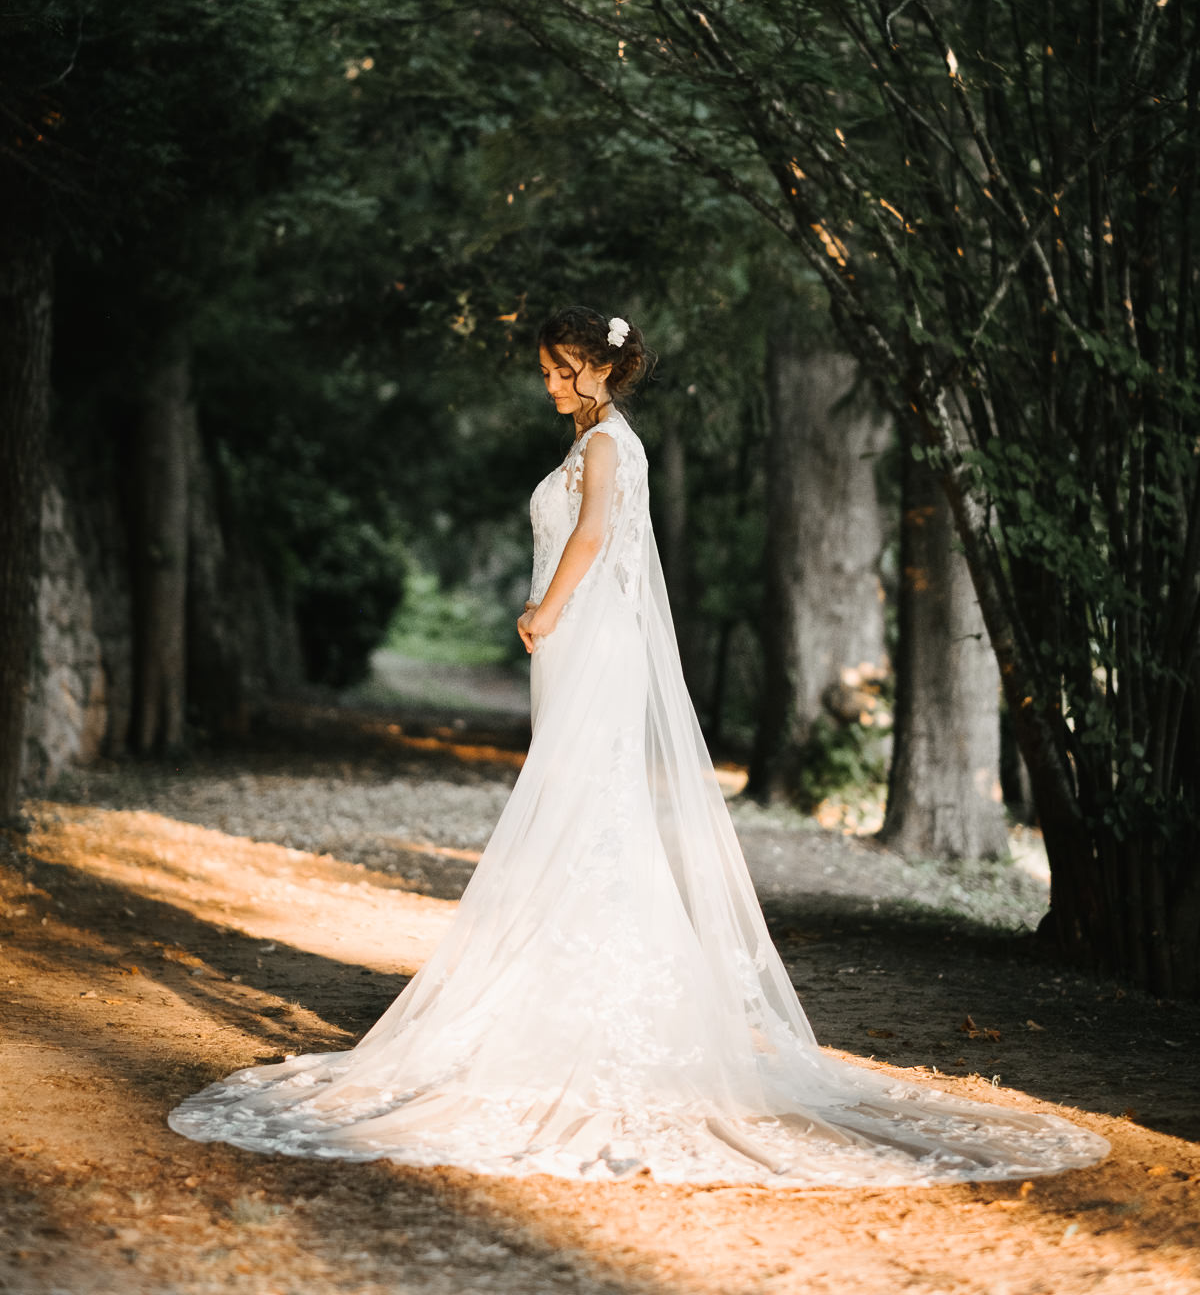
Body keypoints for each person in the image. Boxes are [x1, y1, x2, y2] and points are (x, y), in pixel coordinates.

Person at [168, 306, 1109, 1186]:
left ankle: (600, 1014)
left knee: (589, 810)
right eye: (546, 371)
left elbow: (588, 536)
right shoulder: (589, 438)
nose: (550, 384)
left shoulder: (611, 444)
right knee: (582, 814)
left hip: (586, 637)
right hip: (577, 642)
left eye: (563, 370)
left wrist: (544, 607)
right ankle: (562, 994)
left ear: (604, 368)